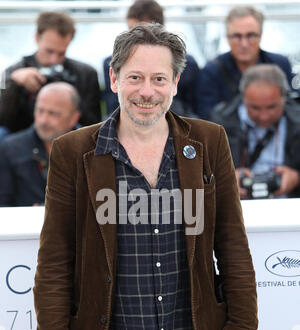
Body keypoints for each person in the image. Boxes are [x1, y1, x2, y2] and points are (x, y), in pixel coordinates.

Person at [33, 23, 262, 330]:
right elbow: (55, 261)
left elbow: (233, 248)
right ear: (114, 78)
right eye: (135, 77)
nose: (146, 92)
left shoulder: (209, 143)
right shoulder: (73, 152)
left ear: (176, 82)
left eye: (159, 79)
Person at [0, 11, 100, 139]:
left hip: (70, 137)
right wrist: (15, 86)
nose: (54, 60)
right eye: (49, 51)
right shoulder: (14, 73)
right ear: (37, 38)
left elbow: (93, 124)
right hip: (24, 138)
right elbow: (5, 123)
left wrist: (69, 96)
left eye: (61, 53)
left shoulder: (85, 74)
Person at [211, 64, 300, 199]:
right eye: (255, 108)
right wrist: (224, 181)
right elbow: (197, 174)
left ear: (285, 97)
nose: (264, 116)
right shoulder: (217, 124)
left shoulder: (297, 121)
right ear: (243, 99)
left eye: (271, 107)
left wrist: (297, 177)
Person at [102, 0, 201, 118]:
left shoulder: (188, 64)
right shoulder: (113, 62)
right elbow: (112, 108)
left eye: (159, 79)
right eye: (131, 31)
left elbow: (196, 108)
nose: (135, 37)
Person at [198, 6, 294, 120]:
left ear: (261, 35)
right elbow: (205, 118)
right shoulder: (211, 71)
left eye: (251, 35)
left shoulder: (280, 64)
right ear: (227, 37)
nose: (244, 44)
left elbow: (292, 108)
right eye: (237, 36)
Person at [0, 82, 81, 206]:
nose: (43, 120)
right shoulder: (9, 149)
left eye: (53, 113)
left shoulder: (93, 148)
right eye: (40, 111)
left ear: (74, 118)